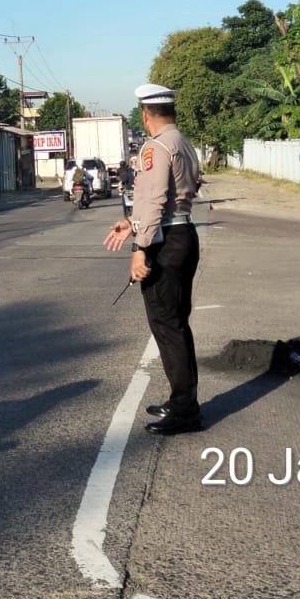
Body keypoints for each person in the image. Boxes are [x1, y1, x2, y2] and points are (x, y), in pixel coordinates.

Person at [104, 83, 203, 434]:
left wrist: (140, 248)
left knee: (167, 324)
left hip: (166, 242)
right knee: (176, 323)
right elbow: (174, 198)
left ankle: (186, 410)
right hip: (183, 233)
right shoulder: (183, 143)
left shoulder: (156, 146)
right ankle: (183, 401)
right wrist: (132, 223)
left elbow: (156, 199)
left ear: (146, 114)